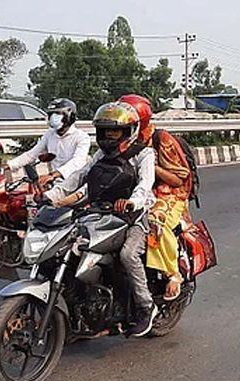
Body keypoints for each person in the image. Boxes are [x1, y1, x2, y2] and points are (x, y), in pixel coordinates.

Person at [45, 101, 158, 337]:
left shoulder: (143, 154)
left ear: (129, 130)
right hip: (100, 216)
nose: (110, 135)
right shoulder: (100, 154)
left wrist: (131, 202)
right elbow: (77, 178)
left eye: (115, 130)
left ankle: (146, 308)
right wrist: (50, 196)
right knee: (69, 247)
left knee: (128, 255)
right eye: (106, 130)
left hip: (133, 218)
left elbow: (145, 186)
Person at [119, 94, 192, 301]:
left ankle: (173, 274)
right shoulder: (122, 138)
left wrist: (150, 167)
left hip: (167, 193)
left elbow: (178, 179)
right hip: (134, 191)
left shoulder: (161, 139)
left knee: (154, 220)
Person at [4, 98, 91, 188]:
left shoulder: (82, 137)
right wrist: (9, 165)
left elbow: (77, 162)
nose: (53, 117)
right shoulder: (50, 134)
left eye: (57, 114)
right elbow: (32, 155)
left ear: (69, 116)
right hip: (55, 182)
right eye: (51, 114)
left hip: (75, 183)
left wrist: (53, 175)